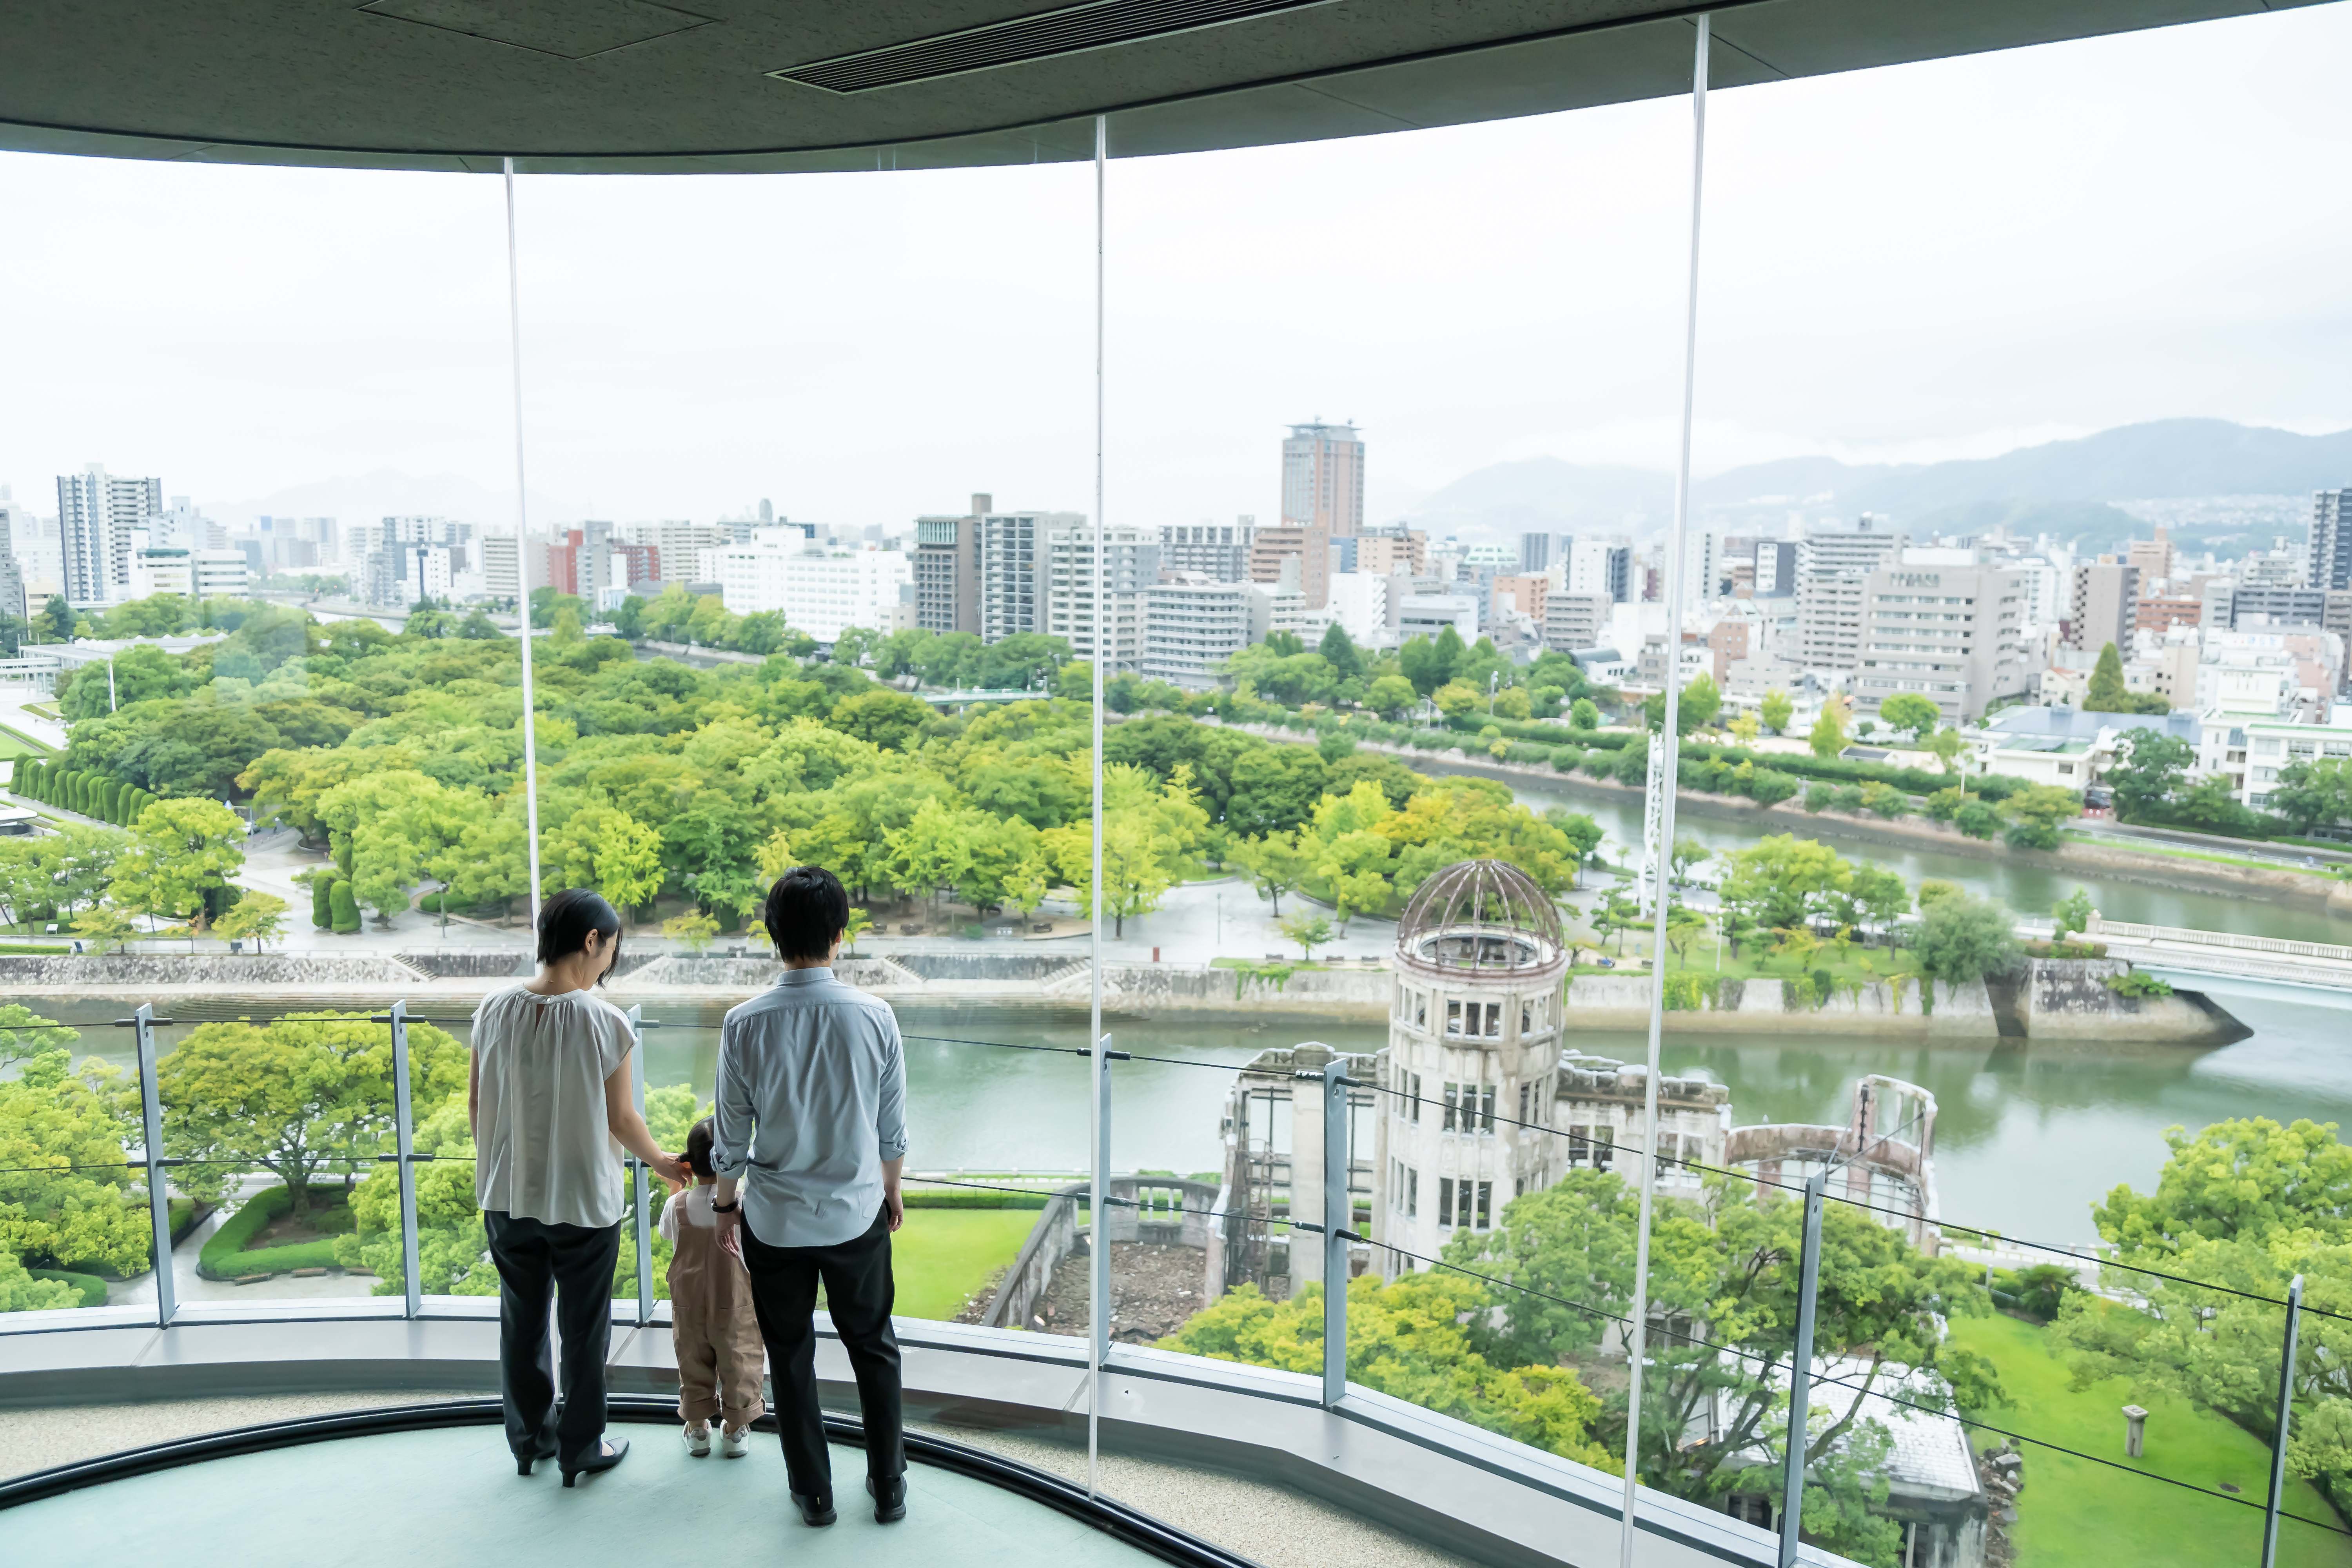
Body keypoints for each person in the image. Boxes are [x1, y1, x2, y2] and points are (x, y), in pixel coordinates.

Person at [710, 865, 909, 1527]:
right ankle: (889, 1486)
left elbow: (731, 1133)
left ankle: (814, 1494)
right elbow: (891, 1123)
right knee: (873, 1348)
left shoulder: (743, 1024)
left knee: (791, 1357)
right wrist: (893, 1189)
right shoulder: (877, 1015)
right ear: (841, 936)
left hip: (776, 1222)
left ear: (772, 935)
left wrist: (725, 1203)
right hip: (857, 1216)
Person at [471, 888, 681, 1486]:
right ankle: (580, 1448)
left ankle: (527, 1441)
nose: (608, 963)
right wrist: (664, 1163)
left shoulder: (492, 1008)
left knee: (523, 1322)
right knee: (584, 1332)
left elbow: (478, 1104)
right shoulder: (604, 1020)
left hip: (507, 1197)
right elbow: (622, 1120)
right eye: (611, 949)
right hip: (583, 1205)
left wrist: (497, 1171)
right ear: (592, 941)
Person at [660, 1116, 766, 1457]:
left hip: (689, 1305)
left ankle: (697, 1429)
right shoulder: (743, 1202)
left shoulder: (676, 1206)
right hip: (735, 1302)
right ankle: (735, 1430)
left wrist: (677, 1188)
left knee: (692, 1361)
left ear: (688, 1164)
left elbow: (667, 1234)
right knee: (740, 1361)